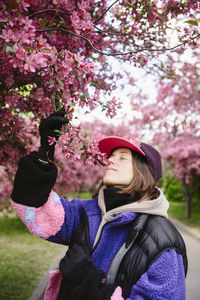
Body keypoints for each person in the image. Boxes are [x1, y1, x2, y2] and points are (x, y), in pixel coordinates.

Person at [11, 111, 188, 300]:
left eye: (122, 157)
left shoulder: (163, 241)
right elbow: (36, 211)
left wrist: (86, 281)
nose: (110, 160)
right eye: (111, 156)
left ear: (143, 172)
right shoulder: (86, 212)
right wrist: (43, 158)